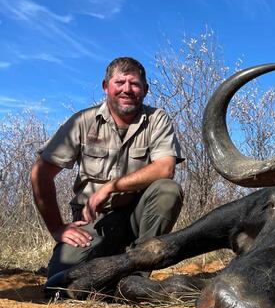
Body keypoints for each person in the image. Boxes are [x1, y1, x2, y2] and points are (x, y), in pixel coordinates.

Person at [30, 57, 184, 284]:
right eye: (119, 82)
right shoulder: (82, 121)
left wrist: (112, 186)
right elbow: (40, 173)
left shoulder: (157, 119)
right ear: (105, 86)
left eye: (134, 84)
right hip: (93, 223)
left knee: (168, 190)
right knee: (60, 284)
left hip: (137, 219)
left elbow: (165, 168)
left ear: (145, 89)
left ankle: (137, 277)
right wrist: (57, 228)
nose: (127, 89)